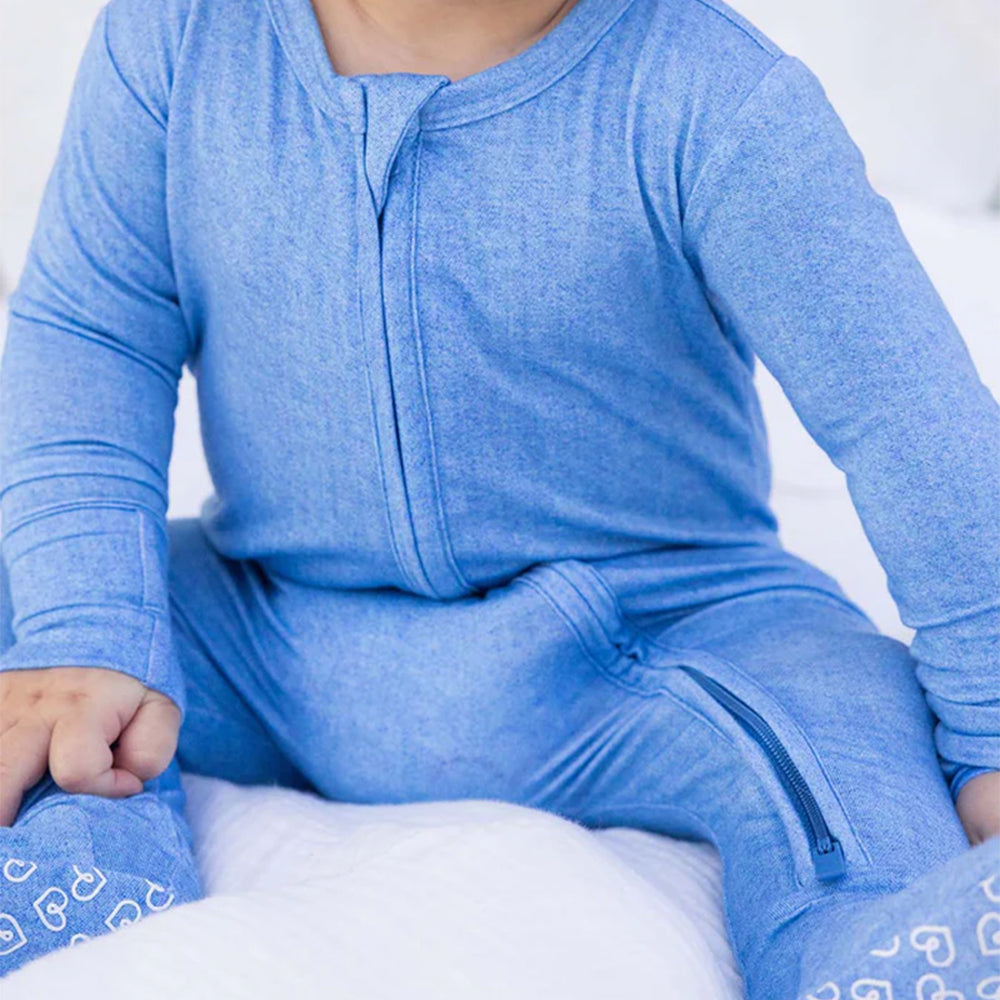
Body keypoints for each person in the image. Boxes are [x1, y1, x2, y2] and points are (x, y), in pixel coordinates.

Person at [1, 0, 998, 994]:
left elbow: (906, 418)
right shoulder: (178, 38)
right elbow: (91, 332)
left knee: (840, 724)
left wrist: (991, 727)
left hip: (653, 645)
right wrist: (83, 631)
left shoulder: (712, 95)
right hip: (273, 635)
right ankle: (80, 860)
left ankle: (883, 946)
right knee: (51, 596)